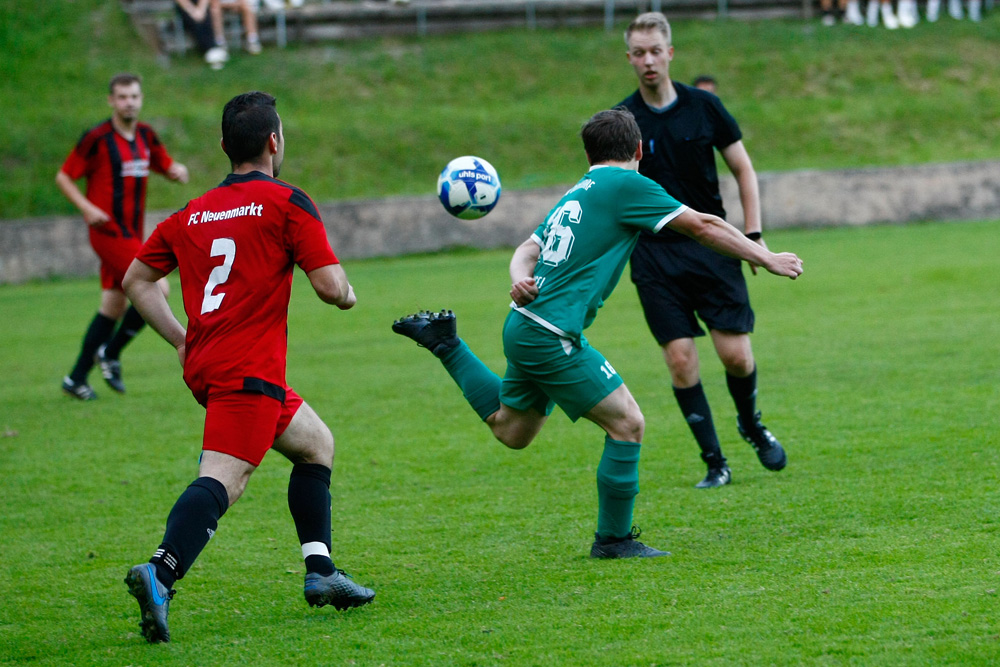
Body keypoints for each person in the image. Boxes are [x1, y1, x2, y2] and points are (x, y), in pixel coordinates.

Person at [392, 108, 803, 558]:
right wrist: (765, 257)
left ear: (588, 153)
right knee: (628, 423)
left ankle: (447, 343)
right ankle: (614, 539)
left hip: (525, 324)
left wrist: (519, 278)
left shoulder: (579, 191)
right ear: (640, 150)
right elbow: (703, 224)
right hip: (551, 333)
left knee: (513, 431)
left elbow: (526, 249)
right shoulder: (626, 185)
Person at [120, 91, 374, 643]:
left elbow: (135, 280)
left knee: (315, 444)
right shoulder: (287, 201)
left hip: (215, 364)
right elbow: (331, 289)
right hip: (247, 370)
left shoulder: (192, 212)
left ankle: (322, 571)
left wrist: (179, 339)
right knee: (224, 479)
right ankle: (160, 573)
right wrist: (350, 293)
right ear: (274, 142)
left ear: (223, 147)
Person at [619, 13, 794, 489]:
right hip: (655, 256)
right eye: (639, 52)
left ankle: (751, 424)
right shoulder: (623, 122)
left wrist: (753, 235)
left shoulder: (705, 108)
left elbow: (743, 169)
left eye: (656, 50)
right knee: (680, 359)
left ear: (670, 53)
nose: (648, 60)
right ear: (629, 58)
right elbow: (609, 191)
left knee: (736, 356)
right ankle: (715, 462)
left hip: (713, 245)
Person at [56, 73, 189, 401]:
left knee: (112, 306)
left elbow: (164, 164)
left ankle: (76, 378)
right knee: (158, 285)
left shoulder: (145, 135)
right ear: (111, 101)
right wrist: (87, 208)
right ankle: (111, 353)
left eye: (134, 96)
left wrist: (176, 170)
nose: (129, 102)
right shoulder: (97, 139)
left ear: (140, 99)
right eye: (122, 97)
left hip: (132, 232)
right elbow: (64, 177)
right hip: (108, 232)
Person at [174, 0, 230, 69]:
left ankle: (213, 47)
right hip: (186, 7)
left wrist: (201, 9)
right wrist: (193, 11)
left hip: (201, 5)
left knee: (207, 18)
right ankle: (210, 48)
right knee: (195, 22)